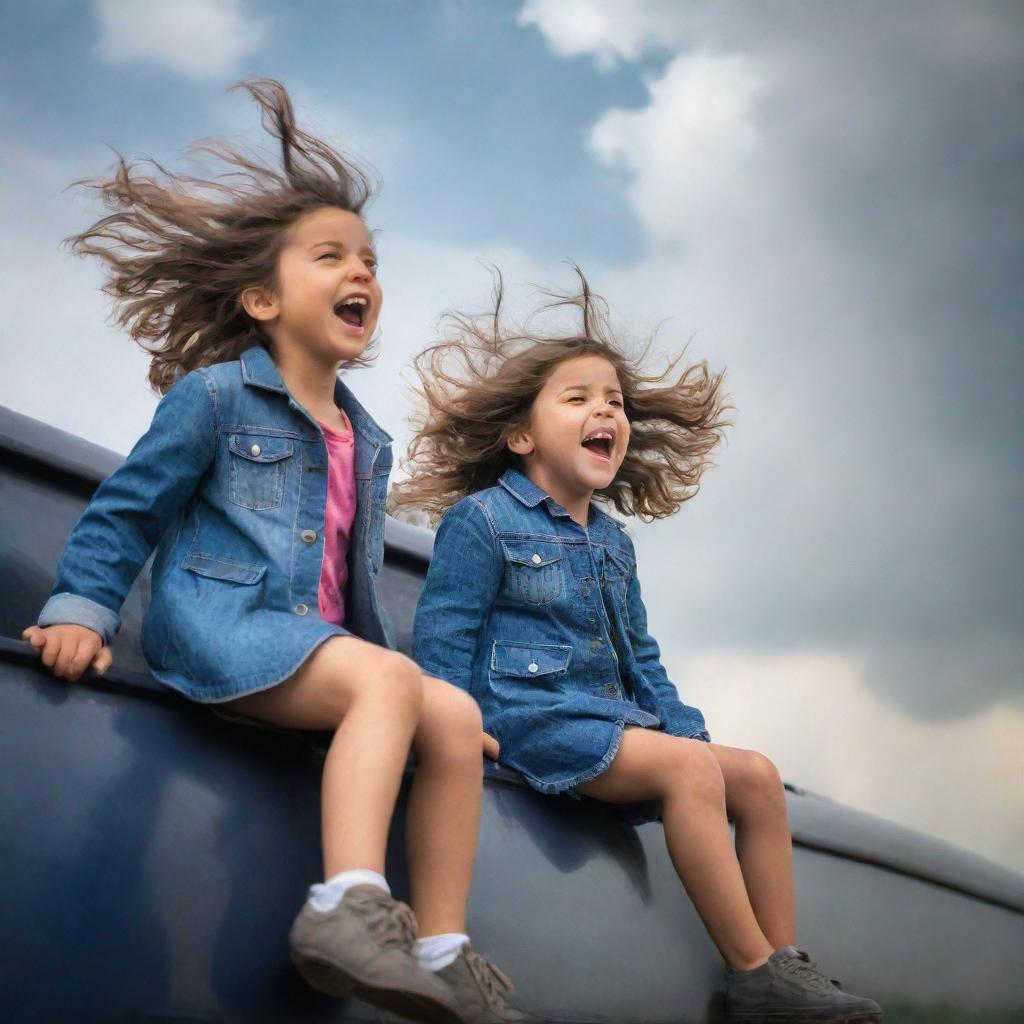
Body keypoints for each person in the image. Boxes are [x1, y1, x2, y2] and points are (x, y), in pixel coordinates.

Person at [22, 79, 520, 1024]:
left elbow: (351, 590)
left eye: (369, 259)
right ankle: (345, 905)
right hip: (218, 629)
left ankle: (445, 947)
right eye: (329, 255)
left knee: (452, 717)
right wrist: (79, 613)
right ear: (260, 296)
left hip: (311, 645)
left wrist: (422, 700)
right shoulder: (213, 399)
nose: (360, 271)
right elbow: (126, 512)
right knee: (389, 684)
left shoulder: (365, 438)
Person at [398, 273, 883, 1023]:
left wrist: (685, 730)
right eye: (579, 397)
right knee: (690, 767)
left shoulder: (615, 543)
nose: (605, 410)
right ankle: (751, 971)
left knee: (754, 776)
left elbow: (642, 657)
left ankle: (784, 971)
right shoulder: (482, 522)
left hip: (611, 720)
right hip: (531, 719)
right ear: (522, 435)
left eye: (615, 402)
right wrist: (456, 730)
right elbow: (444, 640)